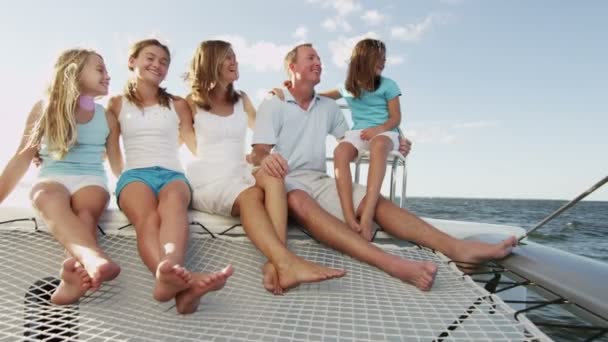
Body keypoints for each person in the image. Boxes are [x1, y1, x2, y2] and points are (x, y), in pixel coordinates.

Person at [250, 43, 518, 291]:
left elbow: (351, 142)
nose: (318, 62)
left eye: (319, 58)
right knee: (298, 200)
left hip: (318, 180)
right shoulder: (274, 102)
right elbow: (259, 153)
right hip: (285, 179)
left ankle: (457, 248)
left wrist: (397, 141)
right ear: (292, 68)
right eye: (311, 58)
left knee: (374, 201)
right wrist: (268, 159)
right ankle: (394, 265)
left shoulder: (328, 107)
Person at [184, 40, 345, 295]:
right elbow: (189, 146)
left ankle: (277, 263)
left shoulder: (242, 99)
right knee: (251, 196)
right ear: (210, 62)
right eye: (227, 58)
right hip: (210, 175)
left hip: (239, 170)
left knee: (274, 175)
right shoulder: (188, 103)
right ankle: (286, 262)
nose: (234, 62)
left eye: (234, 56)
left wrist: (282, 97)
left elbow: (263, 131)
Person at [106, 39, 232, 314]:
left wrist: (235, 158)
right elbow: (112, 150)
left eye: (164, 62)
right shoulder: (116, 104)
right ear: (132, 61)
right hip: (135, 175)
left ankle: (170, 275)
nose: (157, 65)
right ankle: (175, 281)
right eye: (150, 58)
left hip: (173, 174)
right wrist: (122, 179)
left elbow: (194, 144)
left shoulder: (178, 105)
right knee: (147, 218)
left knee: (173, 206)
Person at [0, 48, 120, 304]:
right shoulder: (45, 108)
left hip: (91, 180)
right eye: (100, 69)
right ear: (74, 72)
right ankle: (92, 259)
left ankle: (72, 276)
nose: (108, 76)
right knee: (46, 196)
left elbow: (116, 163)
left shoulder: (106, 116)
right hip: (53, 177)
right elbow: (22, 157)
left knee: (86, 212)